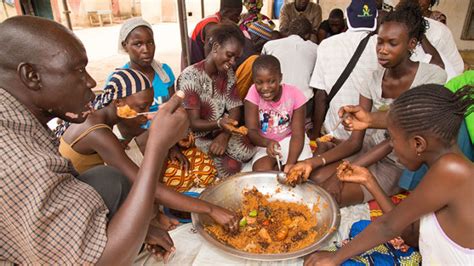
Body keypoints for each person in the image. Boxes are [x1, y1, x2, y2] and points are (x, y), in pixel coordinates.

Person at [0, 16, 189, 264]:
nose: (91, 82)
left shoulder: (19, 118)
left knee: (107, 177)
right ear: (31, 76)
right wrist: (157, 147)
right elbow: (99, 261)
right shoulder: (18, 157)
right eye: (78, 70)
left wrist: (143, 231)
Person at [289, 0, 447, 206]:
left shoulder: (431, 77)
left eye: (392, 43)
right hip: (368, 150)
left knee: (327, 196)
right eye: (379, 41)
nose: (382, 49)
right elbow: (356, 141)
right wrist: (311, 162)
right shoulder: (372, 79)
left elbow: (394, 138)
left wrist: (338, 176)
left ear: (411, 44)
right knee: (315, 178)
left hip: (398, 163)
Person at [304, 84, 474, 265]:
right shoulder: (443, 168)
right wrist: (369, 181)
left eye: (392, 138)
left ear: (418, 144)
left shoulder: (452, 170)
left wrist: (334, 259)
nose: (391, 146)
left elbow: (388, 227)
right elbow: (410, 235)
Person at [59, 68, 237, 232]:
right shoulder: (97, 132)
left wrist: (169, 145)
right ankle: (151, 212)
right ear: (118, 102)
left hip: (95, 180)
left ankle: (153, 208)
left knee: (152, 140)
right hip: (80, 202)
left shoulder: (101, 119)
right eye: (141, 108)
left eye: (149, 107)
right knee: (147, 174)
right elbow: (142, 184)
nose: (147, 115)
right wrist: (211, 209)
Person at [178, 23, 255, 178]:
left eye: (236, 58)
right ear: (215, 48)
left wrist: (224, 135)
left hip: (221, 131)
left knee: (247, 149)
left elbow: (235, 109)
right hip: (197, 138)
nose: (233, 62)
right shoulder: (190, 76)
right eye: (229, 55)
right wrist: (220, 124)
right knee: (231, 168)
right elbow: (194, 123)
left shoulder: (228, 74)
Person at [309, 0, 379, 141]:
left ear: (347, 19)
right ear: (375, 18)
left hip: (336, 133)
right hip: (373, 136)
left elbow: (321, 96)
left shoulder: (326, 45)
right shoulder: (384, 46)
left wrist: (315, 135)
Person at [245, 55, 312, 171]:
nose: (265, 88)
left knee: (300, 170)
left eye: (271, 81)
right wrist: (267, 142)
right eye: (259, 82)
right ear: (253, 81)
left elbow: (298, 134)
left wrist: (291, 163)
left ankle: (284, 165)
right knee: (262, 171)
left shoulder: (295, 94)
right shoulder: (252, 93)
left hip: (291, 140)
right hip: (264, 142)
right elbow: (252, 131)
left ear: (280, 78)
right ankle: (279, 166)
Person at [262, 17, 317, 133]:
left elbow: (261, 73)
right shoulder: (316, 49)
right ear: (308, 35)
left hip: (274, 102)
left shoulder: (270, 45)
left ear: (288, 31)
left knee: (273, 131)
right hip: (303, 105)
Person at [189, 0, 242, 65]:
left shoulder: (219, 19)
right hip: (194, 62)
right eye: (236, 15)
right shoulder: (212, 26)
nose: (238, 19)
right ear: (227, 12)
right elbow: (209, 59)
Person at [236, 21, 274, 100]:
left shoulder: (241, 38)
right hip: (233, 94)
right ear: (257, 39)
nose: (262, 48)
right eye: (263, 43)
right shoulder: (249, 50)